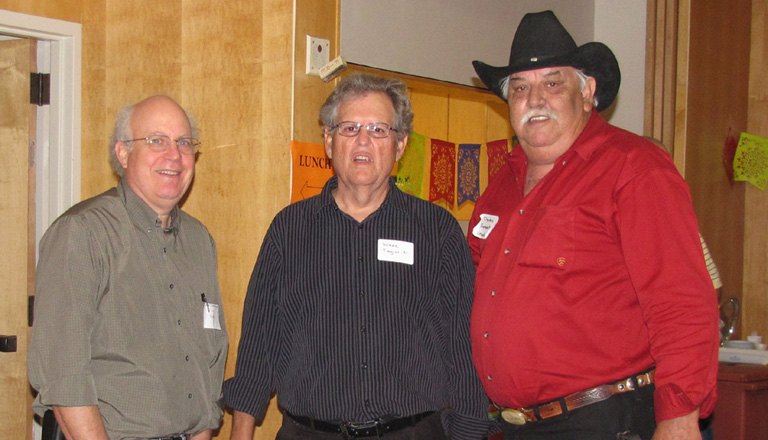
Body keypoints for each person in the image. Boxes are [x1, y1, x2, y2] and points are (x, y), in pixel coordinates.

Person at [468, 11, 719, 440]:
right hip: (520, 426)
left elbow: (680, 302)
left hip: (606, 421)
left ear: (587, 91)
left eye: (552, 83)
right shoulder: (500, 186)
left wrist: (679, 416)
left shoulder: (634, 169)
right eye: (521, 88)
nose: (535, 99)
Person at [223, 74, 490, 440]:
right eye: (350, 128)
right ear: (329, 142)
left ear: (400, 145)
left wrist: (469, 432)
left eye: (379, 130)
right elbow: (258, 342)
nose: (363, 140)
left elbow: (463, 347)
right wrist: (240, 432)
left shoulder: (437, 231)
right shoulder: (289, 230)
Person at [28, 95, 228, 440]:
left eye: (183, 143)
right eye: (156, 141)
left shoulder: (199, 240)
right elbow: (64, 377)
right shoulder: (83, 233)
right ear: (122, 153)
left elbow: (207, 364)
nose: (174, 155)